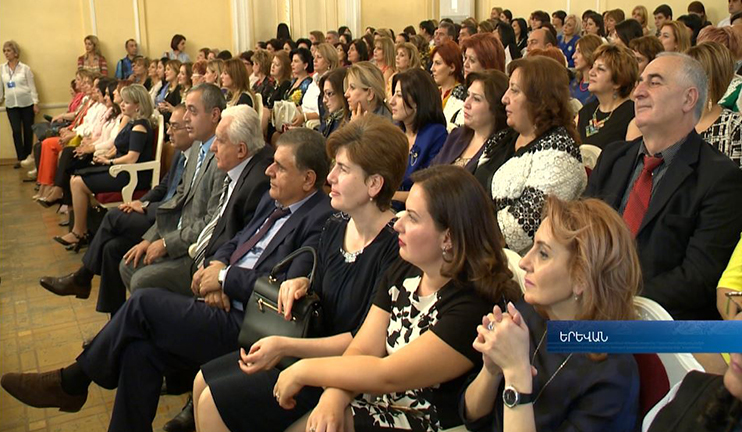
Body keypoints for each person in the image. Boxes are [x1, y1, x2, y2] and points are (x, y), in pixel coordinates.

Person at [0, 128, 333, 432]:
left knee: (143, 301)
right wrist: (217, 264)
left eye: (280, 167)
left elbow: (281, 288)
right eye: (271, 163)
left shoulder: (319, 222)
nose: (269, 171)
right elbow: (235, 239)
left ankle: (73, 381)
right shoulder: (274, 198)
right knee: (140, 351)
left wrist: (224, 277)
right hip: (219, 299)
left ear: (308, 179)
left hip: (249, 327)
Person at [192, 114, 408, 432]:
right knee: (201, 382)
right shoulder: (336, 225)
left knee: (214, 402)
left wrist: (285, 346)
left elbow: (363, 341)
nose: (330, 177)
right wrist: (302, 282)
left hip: (344, 370)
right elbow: (322, 293)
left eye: (343, 169)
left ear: (374, 184)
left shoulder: (394, 246)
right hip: (307, 345)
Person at [271, 165, 521, 432]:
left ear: (447, 237)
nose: (397, 223)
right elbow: (363, 350)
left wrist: (303, 370)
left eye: (412, 218)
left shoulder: (473, 304)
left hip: (427, 421)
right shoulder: (406, 269)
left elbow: (388, 374)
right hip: (374, 401)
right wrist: (335, 396)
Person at [584, 53, 742, 320]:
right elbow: (580, 233)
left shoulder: (720, 178)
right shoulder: (614, 157)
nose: (638, 93)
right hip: (589, 303)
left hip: (655, 327)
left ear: (688, 99)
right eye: (639, 82)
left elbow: (697, 279)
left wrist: (616, 301)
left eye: (654, 83)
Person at [462, 196, 641, 432]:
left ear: (581, 278)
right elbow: (472, 417)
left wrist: (516, 376)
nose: (525, 261)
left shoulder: (612, 378)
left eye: (543, 254)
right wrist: (491, 370)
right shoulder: (530, 313)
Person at [38, 104, 193, 312]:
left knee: (113, 216)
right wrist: (141, 202)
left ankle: (83, 277)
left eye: (174, 127)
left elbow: (180, 203)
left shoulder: (197, 155)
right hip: (157, 207)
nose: (168, 131)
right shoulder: (181, 153)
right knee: (112, 249)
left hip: (168, 217)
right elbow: (164, 186)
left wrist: (148, 207)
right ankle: (114, 324)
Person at [473, 56, 587, 254]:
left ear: (540, 100)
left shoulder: (560, 155)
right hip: (475, 245)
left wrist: (457, 231)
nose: (504, 98)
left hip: (514, 266)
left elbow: (517, 230)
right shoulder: (503, 138)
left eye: (515, 90)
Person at [55, 84, 156, 250]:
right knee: (76, 175)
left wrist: (110, 162)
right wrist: (106, 156)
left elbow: (132, 158)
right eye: (122, 101)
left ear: (138, 105)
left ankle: (79, 232)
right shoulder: (132, 123)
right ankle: (82, 228)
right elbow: (119, 147)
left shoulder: (140, 126)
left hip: (129, 175)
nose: (122, 105)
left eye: (127, 102)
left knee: (78, 182)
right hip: (121, 169)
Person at [389, 69, 447, 205]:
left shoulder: (436, 135)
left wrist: (388, 196)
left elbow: (431, 191)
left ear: (417, 101)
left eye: (399, 95)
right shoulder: (395, 131)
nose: (391, 101)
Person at [432, 70, 509, 172]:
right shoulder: (456, 135)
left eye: (476, 99)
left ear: (495, 108)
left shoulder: (499, 149)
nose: (466, 104)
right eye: (468, 95)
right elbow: (430, 173)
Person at [577, 44, 638, 149]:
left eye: (600, 69)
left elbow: (629, 162)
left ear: (618, 81)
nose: (591, 72)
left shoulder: (633, 115)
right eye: (593, 67)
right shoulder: (585, 111)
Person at [1, 40, 38, 169]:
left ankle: (28, 156)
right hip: (11, 105)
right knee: (16, 131)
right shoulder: (2, 69)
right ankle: (20, 157)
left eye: (9, 50)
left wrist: (35, 103)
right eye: (4, 51)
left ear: (16, 53)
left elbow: (32, 87)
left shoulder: (25, 68)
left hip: (27, 104)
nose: (6, 53)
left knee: (28, 131)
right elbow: (1, 88)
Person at [431, 41, 466, 130]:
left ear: (452, 67)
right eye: (433, 63)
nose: (432, 69)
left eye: (438, 63)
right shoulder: (434, 93)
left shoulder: (462, 97)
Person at [569, 35, 602, 106]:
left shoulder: (599, 89)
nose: (573, 56)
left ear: (590, 53)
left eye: (579, 52)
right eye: (575, 51)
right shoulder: (573, 83)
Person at [318, 68, 348, 137]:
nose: (324, 100)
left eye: (329, 93)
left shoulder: (350, 122)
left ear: (342, 92)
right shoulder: (331, 118)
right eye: (324, 94)